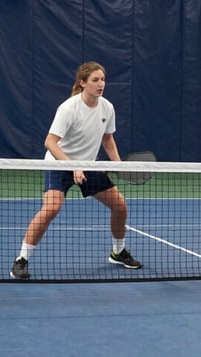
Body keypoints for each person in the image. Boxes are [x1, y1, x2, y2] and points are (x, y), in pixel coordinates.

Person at [11, 61, 142, 279]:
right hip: (59, 164)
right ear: (82, 83)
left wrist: (118, 165)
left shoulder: (107, 108)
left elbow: (108, 139)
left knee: (120, 207)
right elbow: (50, 142)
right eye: (95, 80)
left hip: (88, 166)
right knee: (52, 208)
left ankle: (118, 252)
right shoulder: (68, 108)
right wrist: (72, 166)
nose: (101, 84)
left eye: (103, 79)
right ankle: (21, 259)